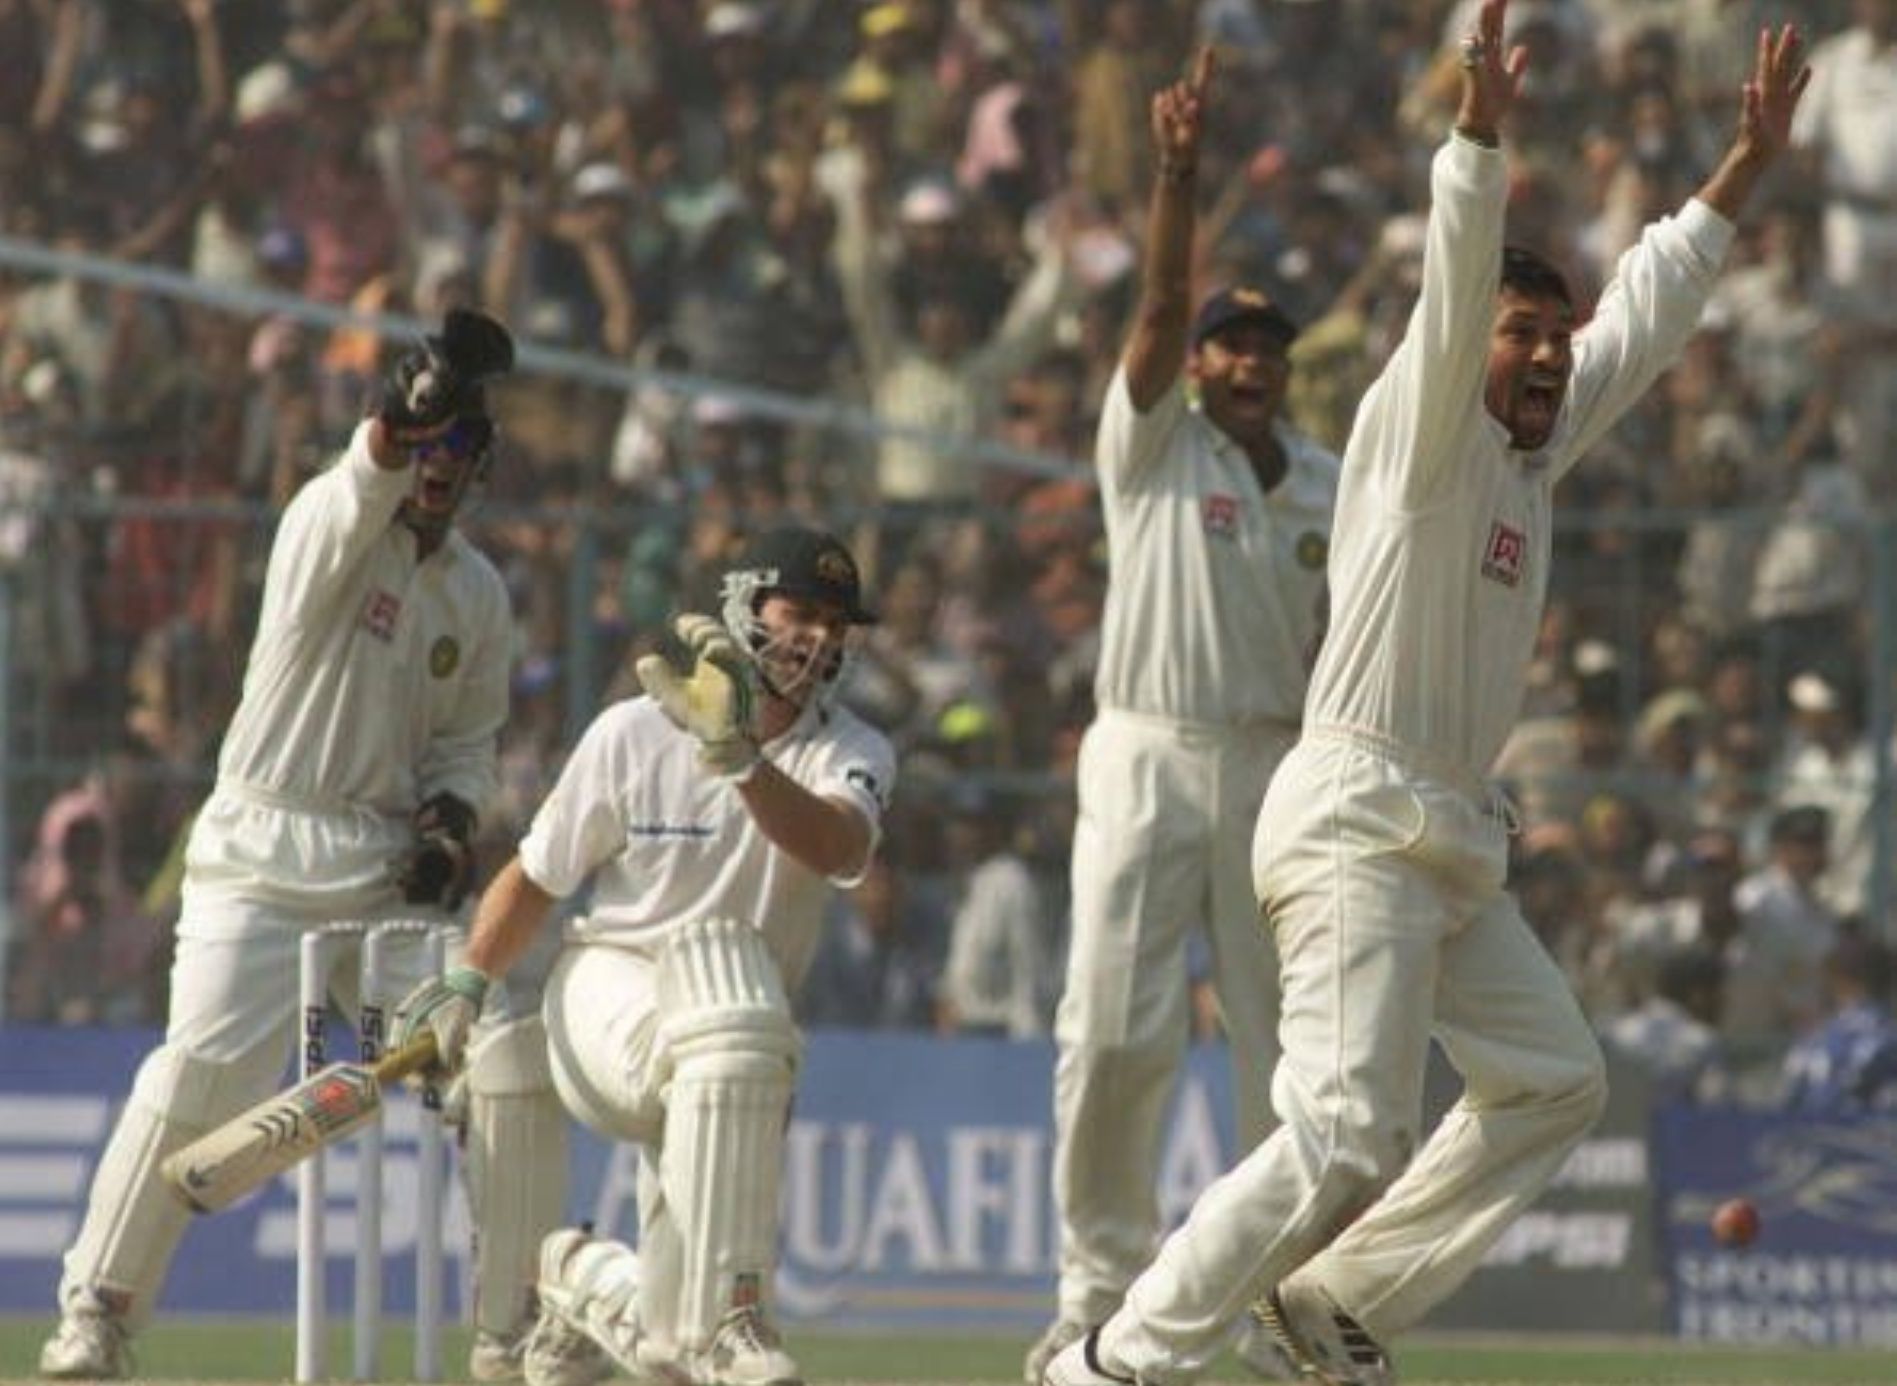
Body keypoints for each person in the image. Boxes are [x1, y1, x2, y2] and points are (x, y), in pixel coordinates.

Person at [1044, 6, 1809, 1384]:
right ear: (1473, 344)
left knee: (1556, 1077)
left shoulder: (1531, 453)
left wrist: (1738, 171)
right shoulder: (1417, 431)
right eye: (1517, 332)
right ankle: (1114, 1360)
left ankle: (1326, 1305)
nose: (1543, 354)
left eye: (1550, 339)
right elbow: (1458, 280)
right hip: (1350, 813)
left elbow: (1642, 312)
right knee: (1348, 1133)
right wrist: (1475, 137)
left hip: (1450, 834)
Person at [38, 309, 519, 1381]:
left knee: (486, 1068)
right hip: (263, 845)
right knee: (198, 1075)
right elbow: (366, 477)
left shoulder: (480, 596)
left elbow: (467, 745)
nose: (438, 470)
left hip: (385, 869)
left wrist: (449, 824)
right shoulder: (327, 522)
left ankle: (513, 1336)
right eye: (428, 447)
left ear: (483, 466)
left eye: (460, 452)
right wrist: (404, 412)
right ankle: (98, 1317)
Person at [391, 526, 895, 1386]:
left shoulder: (852, 749)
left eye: (836, 624)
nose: (817, 637)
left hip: (734, 1057)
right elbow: (539, 876)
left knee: (669, 1354)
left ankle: (577, 1279)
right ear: (743, 606)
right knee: (734, 1006)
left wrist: (740, 763)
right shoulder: (633, 731)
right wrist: (468, 984)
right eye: (799, 612)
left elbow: (837, 847)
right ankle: (739, 1314)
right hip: (609, 997)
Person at [1029, 46, 1339, 1386]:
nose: (1244, 364)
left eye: (1266, 347)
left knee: (1287, 1054)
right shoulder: (1156, 440)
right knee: (1111, 1025)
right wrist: (1172, 174)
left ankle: (1274, 1303)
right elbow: (1156, 297)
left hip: (1276, 763)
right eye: (1227, 344)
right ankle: (1094, 1292)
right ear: (1198, 364)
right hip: (1146, 742)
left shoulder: (1330, 481)